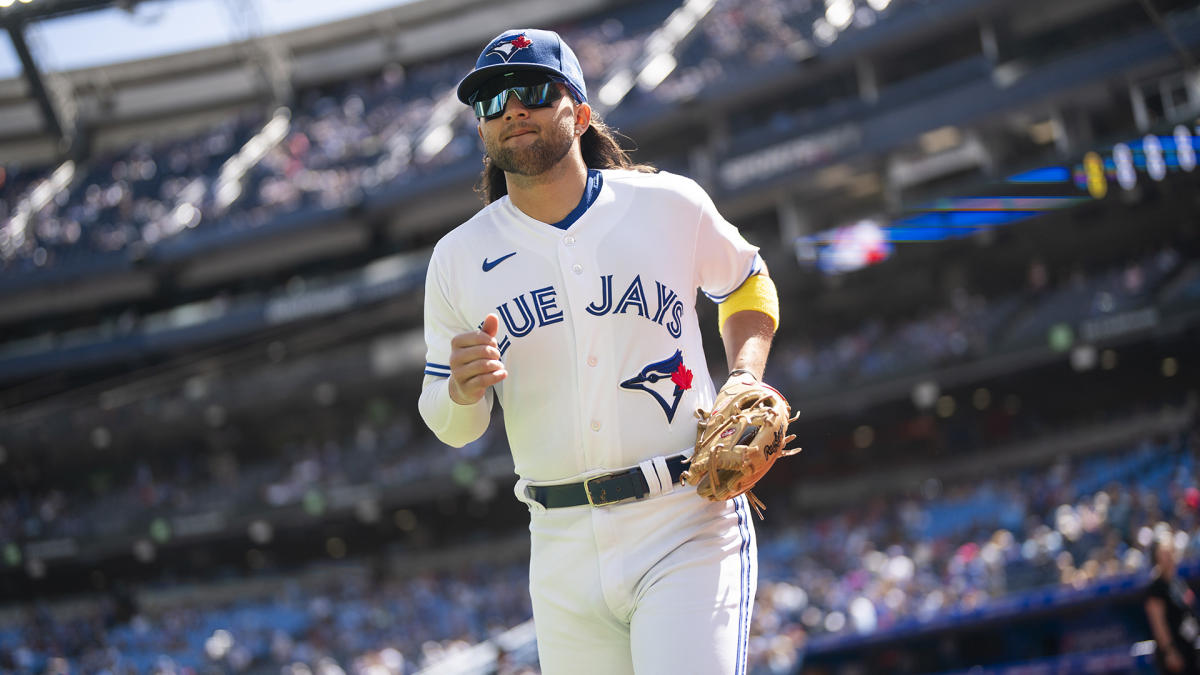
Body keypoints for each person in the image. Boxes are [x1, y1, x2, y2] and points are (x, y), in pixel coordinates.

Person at [418, 28, 784, 674]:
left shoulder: (666, 203)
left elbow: (747, 279)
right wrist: (460, 392)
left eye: (531, 90)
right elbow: (453, 427)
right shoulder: (458, 259)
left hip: (684, 518)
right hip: (559, 547)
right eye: (491, 102)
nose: (512, 110)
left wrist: (745, 374)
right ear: (481, 130)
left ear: (581, 113)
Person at [1145, 533, 1200, 674]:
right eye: (1164, 553)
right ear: (1157, 557)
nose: (1169, 557)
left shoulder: (1177, 582)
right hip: (1175, 651)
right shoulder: (1156, 587)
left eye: (1171, 552)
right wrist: (1169, 651)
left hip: (1189, 647)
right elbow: (1158, 623)